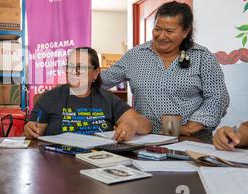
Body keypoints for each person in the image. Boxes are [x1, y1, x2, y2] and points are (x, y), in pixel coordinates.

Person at [101, 1, 230, 136]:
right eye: (157, 29)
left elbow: (218, 97)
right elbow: (100, 82)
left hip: (192, 142)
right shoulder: (135, 55)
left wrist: (189, 128)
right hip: (145, 141)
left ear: (186, 31)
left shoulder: (203, 57)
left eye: (169, 31)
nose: (161, 36)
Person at [24, 47, 152, 141]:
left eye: (82, 67)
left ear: (96, 72)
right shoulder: (49, 98)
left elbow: (146, 124)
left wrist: (131, 125)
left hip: (98, 164)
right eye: (70, 66)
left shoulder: (108, 99)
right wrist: (30, 130)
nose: (74, 72)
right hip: (57, 163)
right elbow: (34, 133)